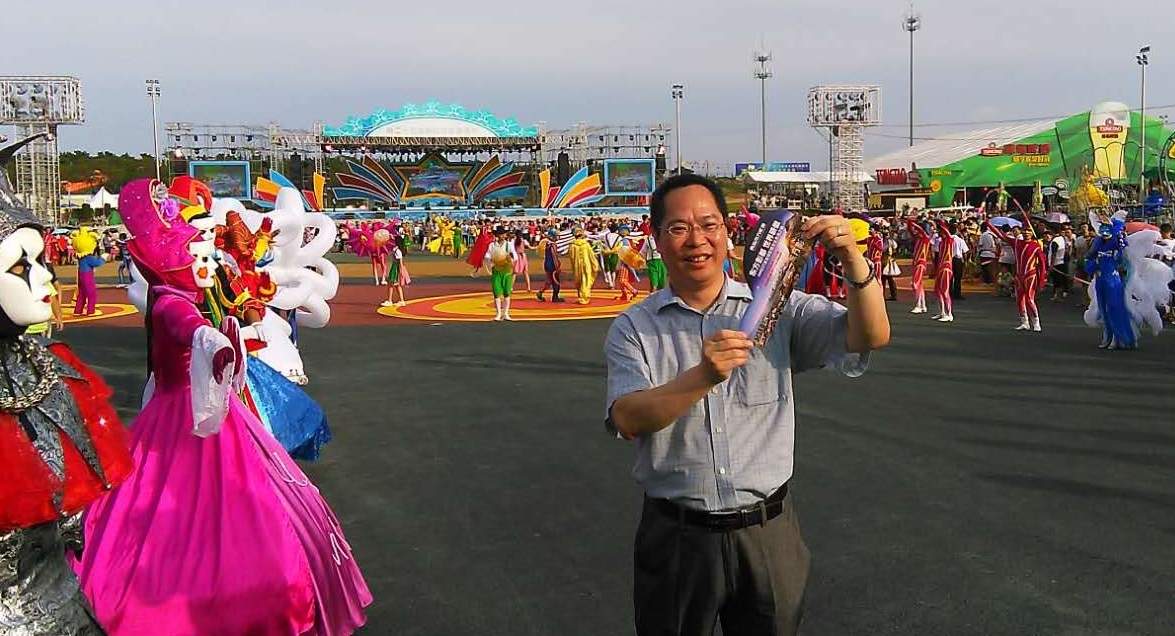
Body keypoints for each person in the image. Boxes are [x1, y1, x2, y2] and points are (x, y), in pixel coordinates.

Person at [75, 179, 372, 635]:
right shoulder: (171, 305)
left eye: (206, 253)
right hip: (188, 417)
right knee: (202, 507)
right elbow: (193, 329)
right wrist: (215, 340)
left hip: (213, 404)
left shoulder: (197, 292)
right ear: (167, 262)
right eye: (195, 255)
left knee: (245, 492)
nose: (205, 261)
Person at [605, 174, 890, 636]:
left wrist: (854, 261)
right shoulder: (634, 328)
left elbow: (870, 336)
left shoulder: (780, 308)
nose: (696, 239)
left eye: (708, 224)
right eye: (678, 228)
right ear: (656, 239)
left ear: (728, 231)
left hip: (768, 532)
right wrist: (703, 376)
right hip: (678, 537)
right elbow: (628, 417)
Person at [0, 135, 133, 634]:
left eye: (40, 260)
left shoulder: (51, 370)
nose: (45, 278)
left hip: (66, 609)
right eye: (21, 264)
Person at [988, 221, 1047, 331]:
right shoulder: (1017, 243)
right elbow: (1002, 236)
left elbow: (1043, 264)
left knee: (1030, 299)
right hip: (1019, 275)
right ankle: (1024, 322)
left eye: (1028, 230)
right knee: (1019, 299)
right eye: (1024, 230)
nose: (1026, 232)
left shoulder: (1036, 246)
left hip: (1030, 275)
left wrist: (1042, 279)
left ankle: (1036, 322)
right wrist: (989, 224)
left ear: (1032, 233)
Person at [485, 226, 516, 321]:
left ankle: (506, 313)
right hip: (496, 271)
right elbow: (487, 256)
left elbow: (515, 256)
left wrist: (510, 261)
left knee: (507, 292)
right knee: (497, 292)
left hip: (507, 271)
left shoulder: (509, 245)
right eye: (500, 234)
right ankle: (498, 314)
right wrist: (491, 264)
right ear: (497, 235)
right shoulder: (492, 245)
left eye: (504, 234)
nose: (502, 236)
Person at [931, 220, 955, 322]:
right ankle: (942, 312)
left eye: (940, 231)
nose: (939, 233)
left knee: (945, 291)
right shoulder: (940, 243)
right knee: (937, 291)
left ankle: (949, 314)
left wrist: (938, 222)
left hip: (946, 268)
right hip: (941, 268)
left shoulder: (950, 240)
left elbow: (946, 231)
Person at [906, 218, 931, 313]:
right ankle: (923, 305)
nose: (915, 231)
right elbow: (910, 230)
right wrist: (909, 222)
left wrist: (914, 224)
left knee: (915, 284)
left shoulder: (925, 238)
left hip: (920, 263)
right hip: (916, 262)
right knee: (919, 285)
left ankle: (918, 305)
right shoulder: (918, 238)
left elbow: (920, 231)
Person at [568, 227, 599, 305]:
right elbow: (591, 256)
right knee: (586, 280)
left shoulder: (572, 245)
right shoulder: (586, 245)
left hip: (576, 265)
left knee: (579, 280)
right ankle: (584, 297)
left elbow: (571, 257)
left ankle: (581, 296)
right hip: (586, 264)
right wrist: (595, 264)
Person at [536, 228, 564, 302]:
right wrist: (557, 267)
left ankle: (540, 292)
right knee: (556, 282)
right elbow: (554, 256)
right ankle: (555, 297)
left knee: (549, 281)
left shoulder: (548, 244)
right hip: (552, 266)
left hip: (547, 264)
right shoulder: (552, 245)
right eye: (557, 236)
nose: (559, 237)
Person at [1048, 229, 1070, 300]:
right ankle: (1063, 292)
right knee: (1063, 278)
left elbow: (1054, 253)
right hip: (1063, 261)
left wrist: (1051, 264)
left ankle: (1056, 295)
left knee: (1057, 280)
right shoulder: (1063, 239)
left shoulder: (1055, 240)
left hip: (1057, 263)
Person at [950, 221, 968, 300]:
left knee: (950, 278)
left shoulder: (946, 240)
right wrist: (965, 261)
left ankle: (949, 293)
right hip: (958, 260)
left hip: (949, 260)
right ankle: (957, 294)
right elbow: (965, 251)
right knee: (958, 278)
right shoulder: (960, 240)